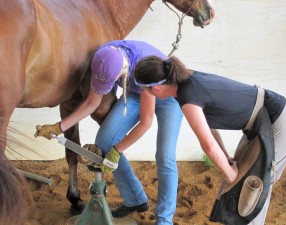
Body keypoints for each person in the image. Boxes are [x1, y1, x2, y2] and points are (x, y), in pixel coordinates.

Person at [133, 55, 286, 224]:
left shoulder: (188, 96)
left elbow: (208, 145)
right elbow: (209, 128)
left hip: (279, 121)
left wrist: (229, 174)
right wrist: (226, 159)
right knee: (238, 184)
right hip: (261, 122)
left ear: (155, 89)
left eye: (144, 90)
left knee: (252, 188)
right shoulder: (184, 82)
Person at [34, 40, 184, 225]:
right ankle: (135, 199)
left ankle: (164, 219)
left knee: (165, 156)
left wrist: (117, 151)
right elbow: (92, 102)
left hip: (167, 97)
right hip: (137, 93)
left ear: (124, 70)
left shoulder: (142, 64)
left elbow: (146, 122)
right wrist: (59, 127)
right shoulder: (102, 58)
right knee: (105, 140)